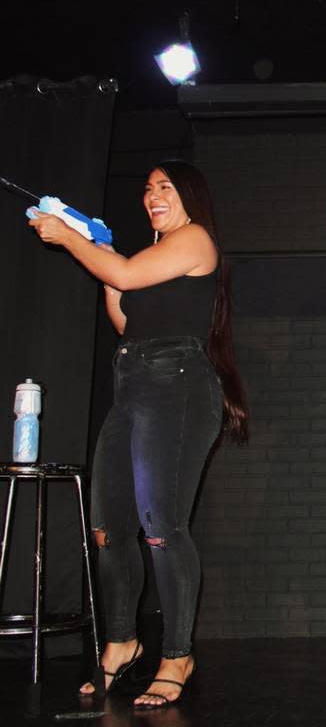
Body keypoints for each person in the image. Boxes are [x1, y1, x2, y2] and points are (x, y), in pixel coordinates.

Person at [28, 160, 248, 708]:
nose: (153, 195)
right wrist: (97, 252)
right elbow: (126, 315)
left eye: (165, 187)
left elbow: (124, 276)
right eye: (148, 189)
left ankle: (177, 654)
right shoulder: (152, 257)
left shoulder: (196, 239)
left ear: (189, 196)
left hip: (175, 385)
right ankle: (122, 642)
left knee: (162, 528)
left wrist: (69, 238)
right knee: (109, 527)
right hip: (133, 384)